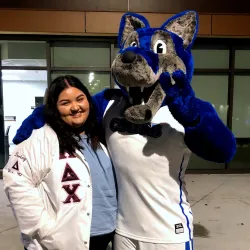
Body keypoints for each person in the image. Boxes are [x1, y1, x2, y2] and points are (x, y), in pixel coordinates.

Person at [11, 11, 237, 250]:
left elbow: (223, 151)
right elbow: (70, 111)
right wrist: (31, 127)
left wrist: (191, 116)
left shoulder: (191, 108)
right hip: (121, 231)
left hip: (168, 232)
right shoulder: (110, 104)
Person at [3, 75, 117, 250]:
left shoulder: (98, 136)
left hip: (105, 235)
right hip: (62, 240)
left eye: (80, 99)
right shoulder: (41, 139)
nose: (75, 107)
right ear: (54, 108)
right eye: (65, 103)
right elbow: (16, 182)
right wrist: (43, 229)